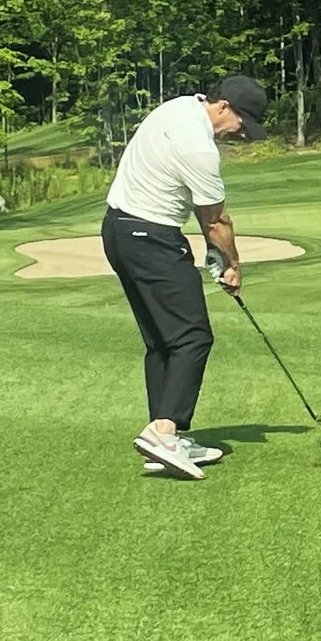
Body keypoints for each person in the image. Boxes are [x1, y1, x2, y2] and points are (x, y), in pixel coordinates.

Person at [102, 75, 268, 479]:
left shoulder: (177, 108)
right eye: (243, 123)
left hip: (118, 231)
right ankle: (163, 432)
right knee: (193, 337)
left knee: (162, 340)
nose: (242, 134)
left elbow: (198, 207)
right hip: (151, 238)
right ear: (223, 106)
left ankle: (165, 437)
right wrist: (232, 265)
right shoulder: (200, 148)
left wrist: (213, 252)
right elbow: (217, 221)